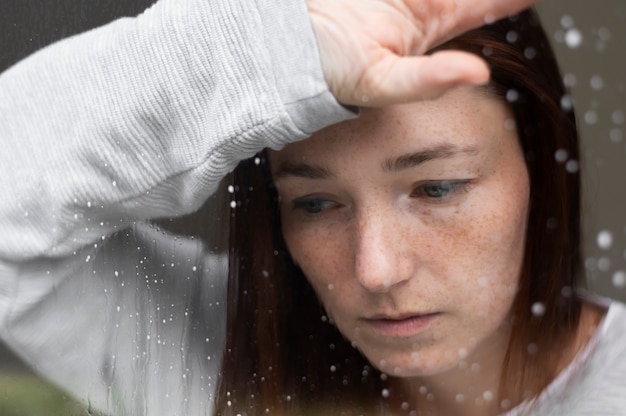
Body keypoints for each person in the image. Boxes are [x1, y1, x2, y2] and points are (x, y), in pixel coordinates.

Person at [0, 0, 623, 415]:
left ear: (540, 170)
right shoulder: (212, 355)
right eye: (317, 203)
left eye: (437, 188)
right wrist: (268, 55)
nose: (375, 271)